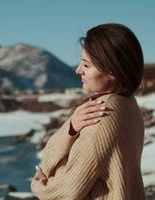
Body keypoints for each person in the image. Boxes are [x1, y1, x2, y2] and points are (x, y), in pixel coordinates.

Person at [30, 23, 146, 200]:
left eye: (86, 65)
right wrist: (72, 127)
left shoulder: (100, 116)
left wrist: (39, 184)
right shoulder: (128, 104)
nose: (78, 70)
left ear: (112, 71)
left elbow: (68, 191)